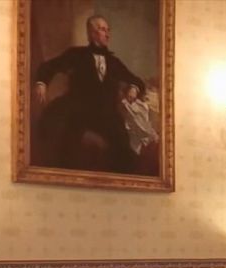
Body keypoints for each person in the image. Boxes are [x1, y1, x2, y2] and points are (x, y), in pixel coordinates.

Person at [33, 14, 147, 174]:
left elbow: (135, 79)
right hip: (78, 109)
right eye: (102, 29)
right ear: (92, 33)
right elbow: (49, 66)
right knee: (63, 139)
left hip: (107, 113)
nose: (107, 34)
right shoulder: (76, 54)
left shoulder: (114, 62)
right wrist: (42, 83)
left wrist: (134, 87)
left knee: (122, 146)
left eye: (108, 30)